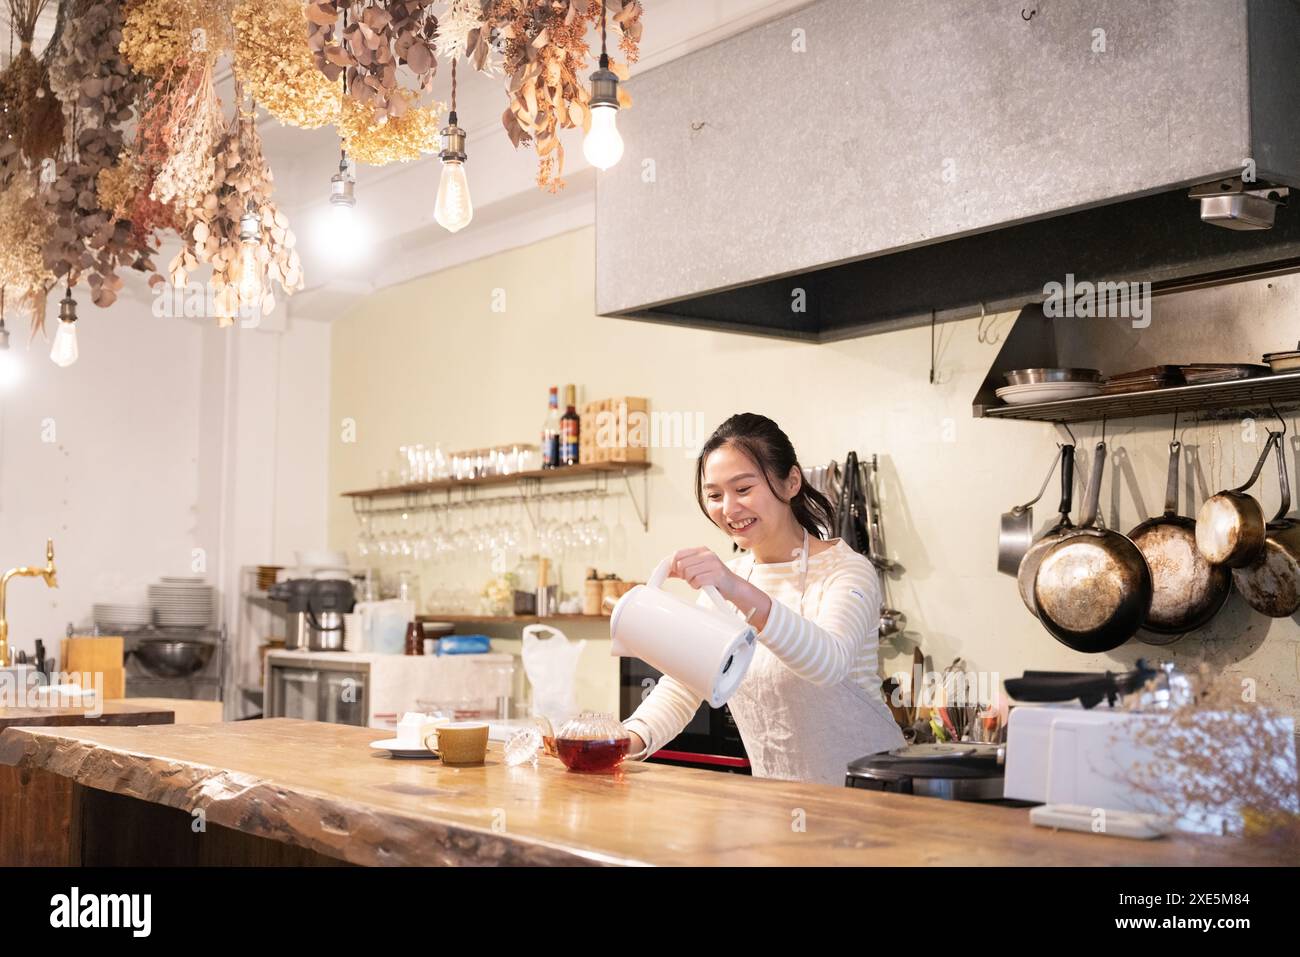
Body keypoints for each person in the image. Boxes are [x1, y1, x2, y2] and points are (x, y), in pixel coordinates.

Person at [621, 412, 905, 785]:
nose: (729, 508)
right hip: (777, 799)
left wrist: (735, 588)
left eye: (743, 489)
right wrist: (624, 740)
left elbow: (828, 664)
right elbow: (683, 686)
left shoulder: (846, 571)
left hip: (868, 796)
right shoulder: (726, 583)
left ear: (791, 482)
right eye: (715, 495)